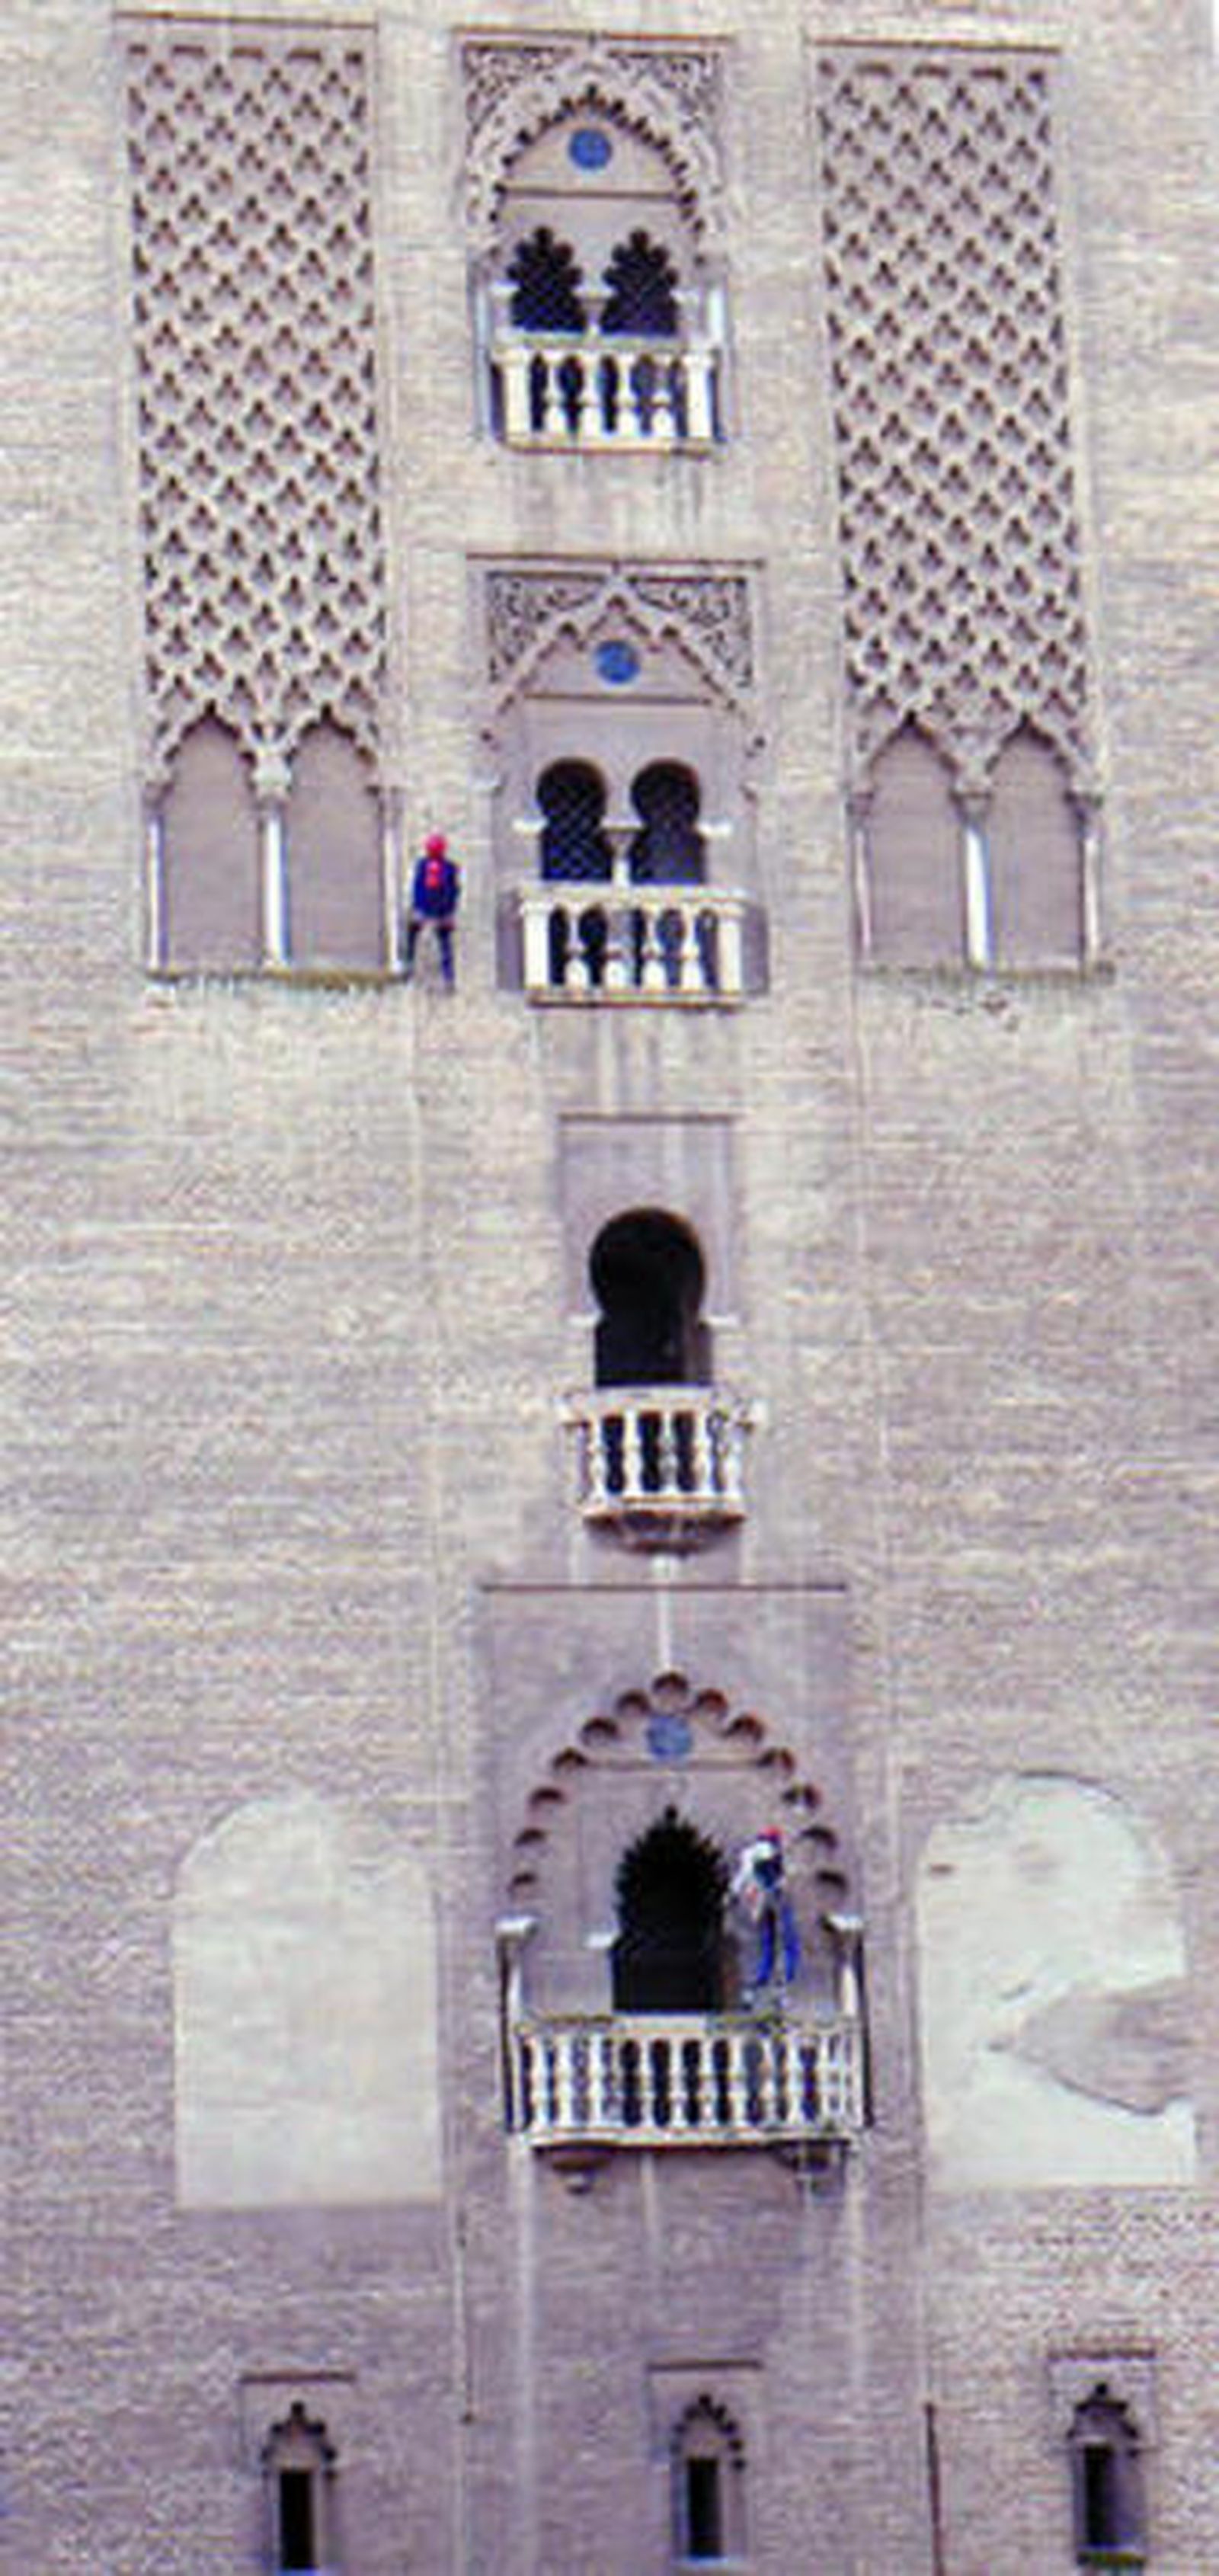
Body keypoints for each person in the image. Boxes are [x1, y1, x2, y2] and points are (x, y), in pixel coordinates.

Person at [731, 1829, 801, 2003]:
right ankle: (777, 1986)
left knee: (769, 1943)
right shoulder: (766, 1854)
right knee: (782, 1942)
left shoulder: (751, 1854)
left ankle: (763, 1986)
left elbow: (745, 1875)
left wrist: (735, 1892)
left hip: (766, 1901)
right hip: (773, 1900)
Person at [405, 832, 460, 984]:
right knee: (444, 944)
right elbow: (453, 892)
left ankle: (409, 964)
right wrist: (449, 912)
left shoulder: (423, 866)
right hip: (439, 911)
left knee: (414, 934)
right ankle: (448, 976)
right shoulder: (448, 867)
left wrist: (417, 909)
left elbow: (418, 889)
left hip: (431, 910)